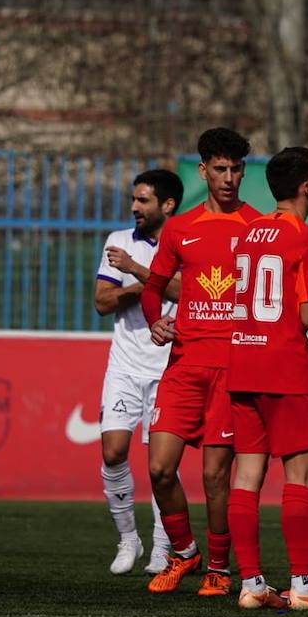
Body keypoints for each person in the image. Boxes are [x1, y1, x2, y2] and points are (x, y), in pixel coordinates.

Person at [227, 146, 308, 610]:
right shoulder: (307, 238)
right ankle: (303, 583)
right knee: (300, 474)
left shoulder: (247, 233)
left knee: (246, 476)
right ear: (304, 187)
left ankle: (253, 584)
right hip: (284, 368)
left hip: (242, 363)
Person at [140, 128, 262, 596]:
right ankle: (184, 552)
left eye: (236, 169)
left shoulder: (256, 225)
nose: (229, 178)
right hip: (184, 366)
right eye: (220, 169)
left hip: (233, 370)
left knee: (215, 476)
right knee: (159, 469)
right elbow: (153, 289)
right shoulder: (179, 228)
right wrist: (155, 322)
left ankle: (219, 566)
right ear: (203, 171)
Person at [93, 169, 185, 576]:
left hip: (171, 367)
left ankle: (164, 548)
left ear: (167, 205)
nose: (134, 207)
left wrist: (133, 270)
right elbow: (102, 301)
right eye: (134, 199)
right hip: (126, 366)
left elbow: (185, 291)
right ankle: (128, 537)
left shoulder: (184, 239)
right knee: (113, 452)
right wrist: (143, 287)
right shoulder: (118, 241)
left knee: (162, 466)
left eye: (143, 200)